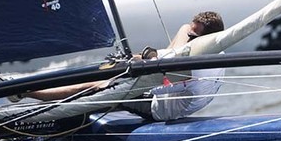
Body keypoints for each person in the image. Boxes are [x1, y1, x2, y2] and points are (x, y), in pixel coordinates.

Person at [17, 12, 225, 113]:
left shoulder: (188, 70)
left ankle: (27, 92)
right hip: (171, 85)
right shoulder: (219, 51)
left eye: (191, 35)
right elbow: (161, 59)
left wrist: (124, 73)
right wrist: (134, 59)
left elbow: (151, 87)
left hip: (158, 109)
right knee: (115, 69)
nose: (187, 36)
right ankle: (32, 86)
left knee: (98, 86)